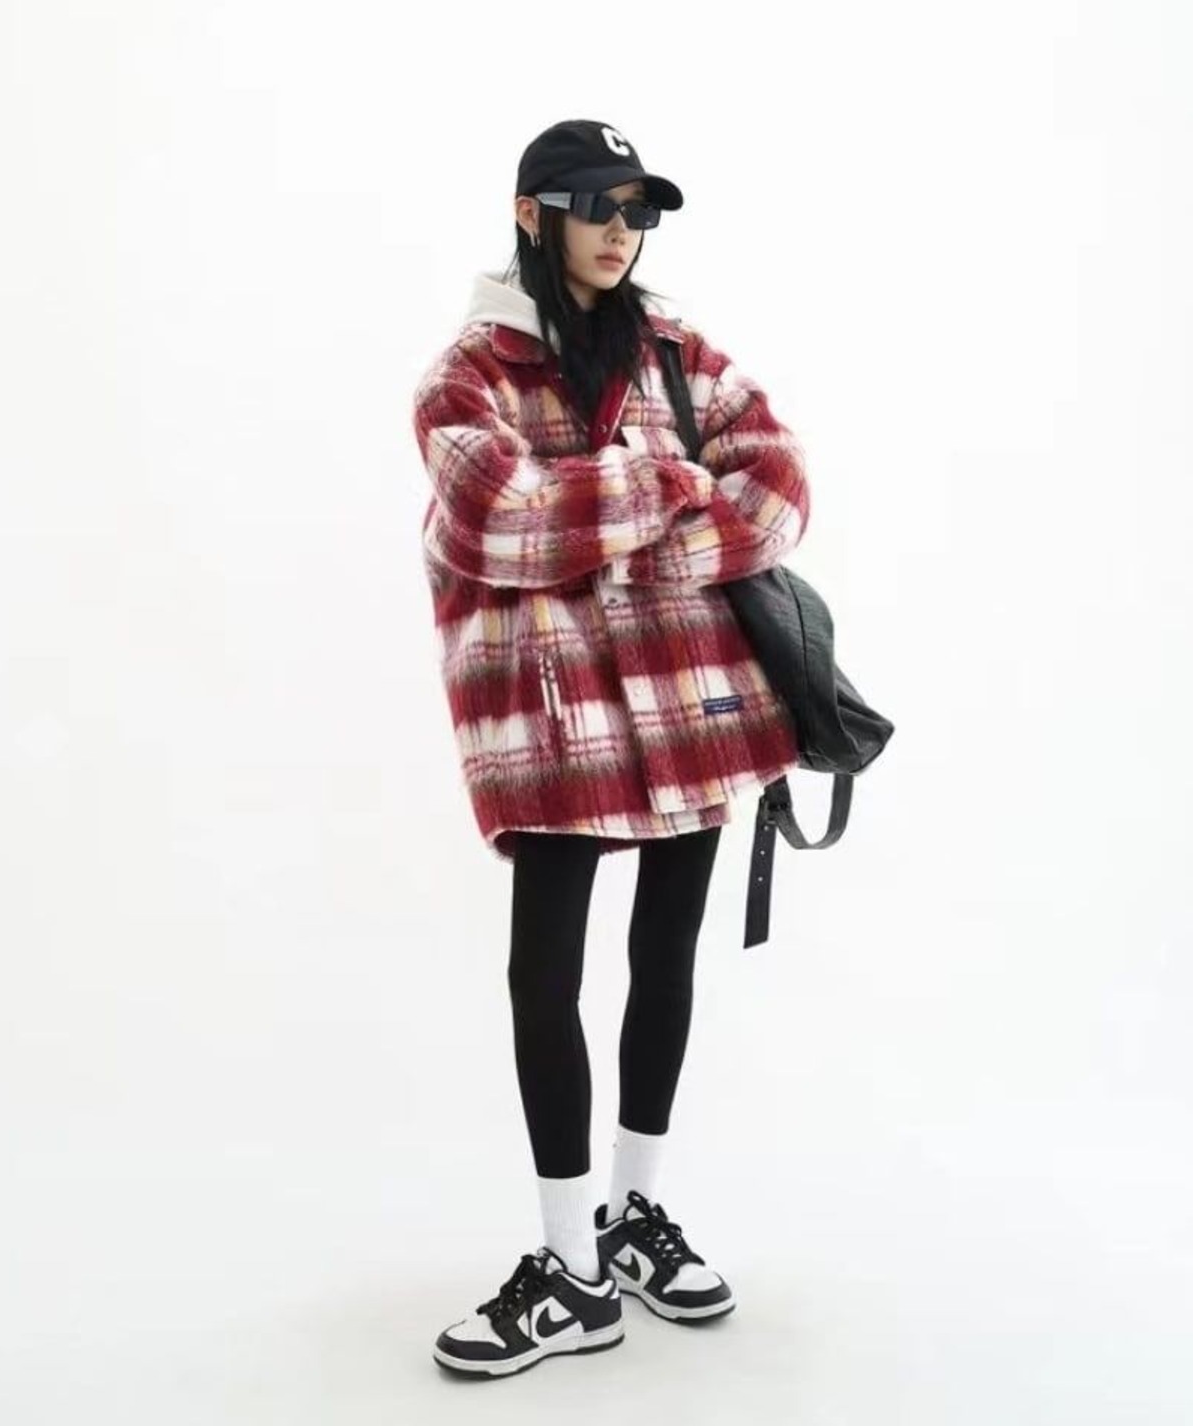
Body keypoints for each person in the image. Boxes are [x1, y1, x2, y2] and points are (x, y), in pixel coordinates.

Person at [410, 118, 812, 1379]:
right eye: (595, 205)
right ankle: (569, 1262)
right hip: (553, 717)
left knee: (662, 958)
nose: (619, 231)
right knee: (544, 975)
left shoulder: (677, 351)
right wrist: (667, 481)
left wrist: (628, 530)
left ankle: (632, 1213)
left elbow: (779, 487)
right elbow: (498, 520)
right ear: (531, 214)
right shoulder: (464, 375)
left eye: (638, 209)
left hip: (694, 701)